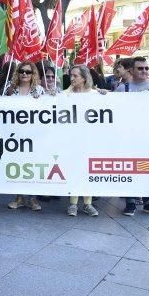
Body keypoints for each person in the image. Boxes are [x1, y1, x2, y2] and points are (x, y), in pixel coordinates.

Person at [114, 56, 149, 217]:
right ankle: (130, 202)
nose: (144, 71)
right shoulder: (122, 89)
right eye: (140, 68)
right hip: (129, 137)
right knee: (129, 167)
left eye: (146, 68)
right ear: (131, 70)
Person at [63, 65, 103, 217]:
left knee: (88, 170)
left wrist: (105, 95)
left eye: (75, 76)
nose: (72, 78)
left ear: (84, 78)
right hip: (71, 140)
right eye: (71, 75)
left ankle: (87, 203)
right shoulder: (66, 94)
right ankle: (73, 203)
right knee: (74, 168)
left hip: (90, 139)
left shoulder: (94, 94)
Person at [5, 61, 44, 211]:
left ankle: (33, 198)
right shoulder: (12, 89)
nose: (24, 74)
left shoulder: (39, 90)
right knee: (17, 165)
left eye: (28, 72)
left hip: (34, 134)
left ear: (33, 74)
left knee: (32, 166)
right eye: (22, 71)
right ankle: (19, 197)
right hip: (15, 134)